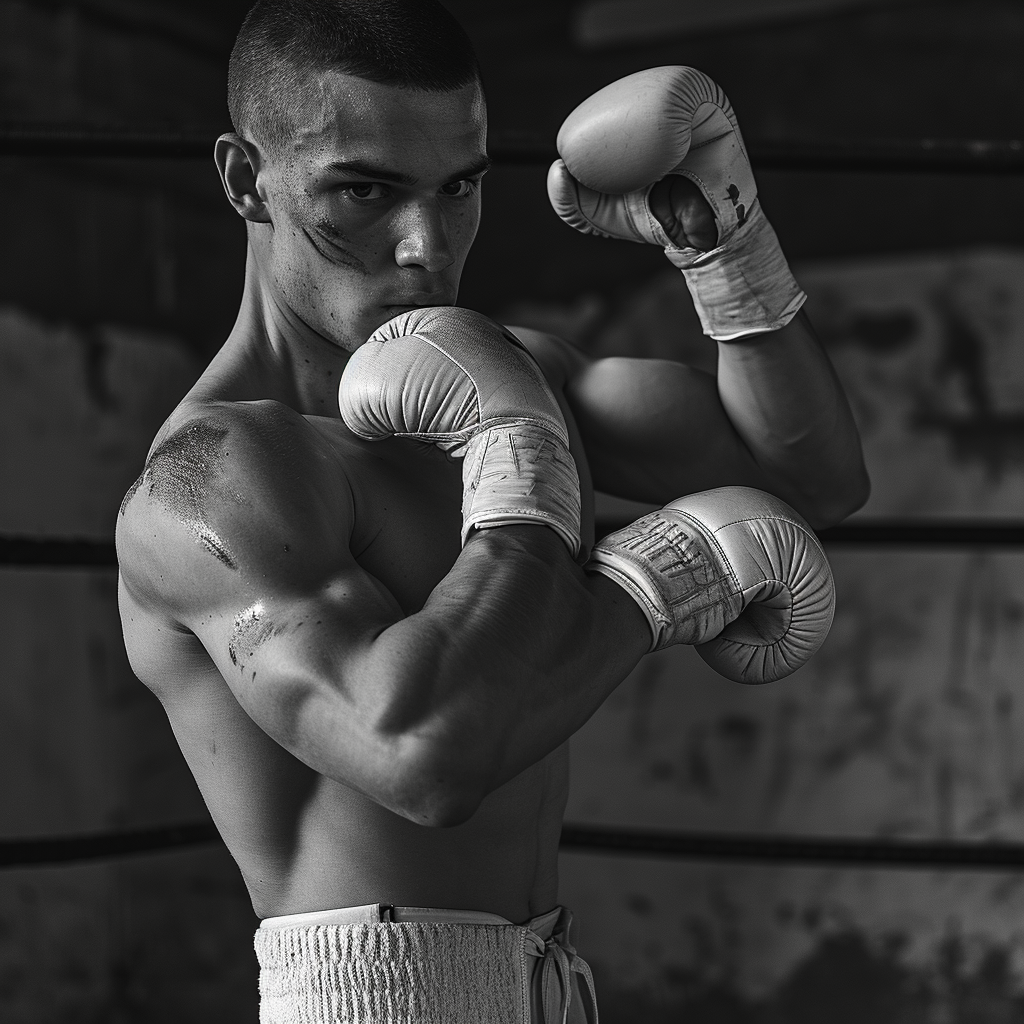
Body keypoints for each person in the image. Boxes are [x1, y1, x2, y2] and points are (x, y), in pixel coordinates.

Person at [115, 1, 869, 1020]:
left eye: (458, 187)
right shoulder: (215, 476)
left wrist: (723, 247)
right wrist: (650, 576)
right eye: (365, 191)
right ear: (247, 180)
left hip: (549, 981)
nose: (426, 245)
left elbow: (809, 480)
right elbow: (419, 756)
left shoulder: (504, 369)